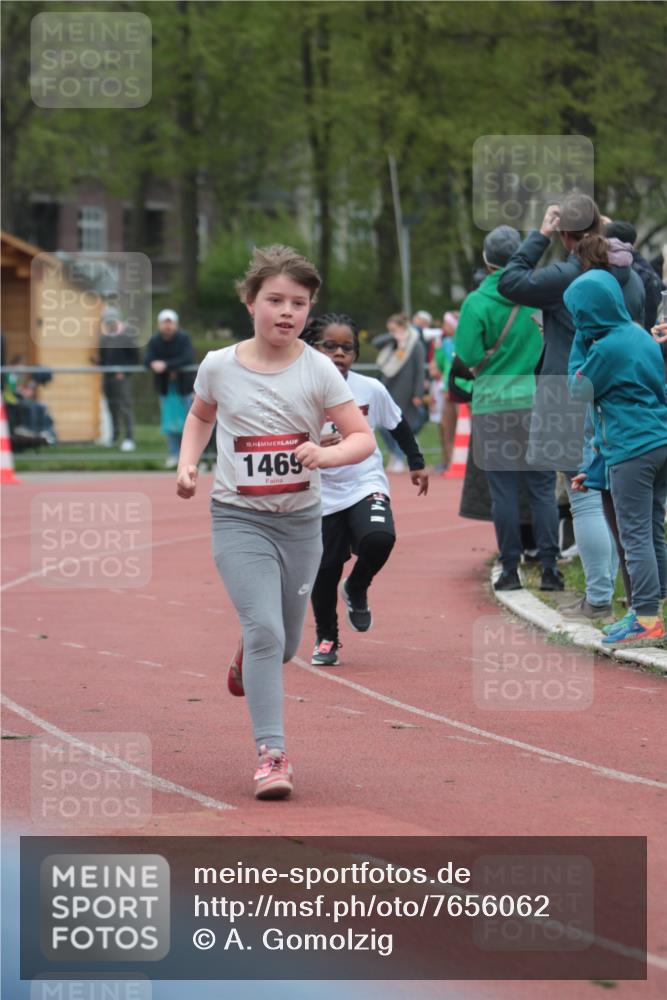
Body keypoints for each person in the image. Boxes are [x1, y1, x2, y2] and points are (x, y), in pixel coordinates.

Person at [175, 246, 375, 800]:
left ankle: (251, 655)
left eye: (299, 303)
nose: (287, 312)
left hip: (301, 522)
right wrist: (188, 461)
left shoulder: (318, 371)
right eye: (275, 300)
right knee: (266, 632)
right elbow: (200, 416)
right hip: (239, 518)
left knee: (283, 642)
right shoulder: (219, 364)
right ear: (250, 302)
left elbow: (361, 438)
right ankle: (272, 754)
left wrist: (325, 455)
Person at [499, 193, 645, 618]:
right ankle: (636, 597)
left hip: (568, 386)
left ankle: (598, 597)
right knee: (616, 495)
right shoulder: (628, 273)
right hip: (618, 388)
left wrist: (538, 234)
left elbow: (511, 280)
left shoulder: (567, 272)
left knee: (584, 495)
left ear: (565, 234)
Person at [299, 312, 429, 665]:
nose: (339, 354)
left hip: (362, 481)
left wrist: (415, 462)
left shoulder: (370, 389)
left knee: (380, 538)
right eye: (330, 346)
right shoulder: (296, 389)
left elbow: (398, 424)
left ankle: (357, 586)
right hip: (319, 492)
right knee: (325, 569)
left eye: (347, 348)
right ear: (311, 348)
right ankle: (327, 637)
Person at [454, 225, 561, 591]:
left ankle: (510, 569)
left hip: (493, 404)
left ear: (486, 260)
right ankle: (550, 569)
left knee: (503, 492)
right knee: (543, 489)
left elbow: (467, 354)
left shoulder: (476, 302)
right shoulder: (540, 295)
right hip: (538, 400)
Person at [566, 269, 667, 646]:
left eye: (577, 313)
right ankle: (650, 609)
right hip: (657, 441)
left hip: (632, 450)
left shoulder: (605, 348)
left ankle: (645, 619)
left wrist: (579, 338)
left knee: (634, 535)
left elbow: (578, 391)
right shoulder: (640, 336)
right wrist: (595, 469)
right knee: (653, 531)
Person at [376, 313, 427, 472]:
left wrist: (418, 394)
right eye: (389, 329)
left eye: (394, 329)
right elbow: (375, 342)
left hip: (405, 391)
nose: (392, 332)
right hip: (388, 388)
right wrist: (393, 337)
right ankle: (396, 454)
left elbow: (420, 371)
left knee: (400, 425)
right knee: (381, 425)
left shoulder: (416, 344)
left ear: (403, 328)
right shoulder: (391, 342)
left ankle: (399, 457)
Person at [145, 309, 195, 468]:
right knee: (170, 424)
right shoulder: (154, 340)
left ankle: (189, 458)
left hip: (184, 389)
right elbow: (147, 360)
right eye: (164, 323)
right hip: (166, 390)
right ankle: (174, 455)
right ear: (159, 324)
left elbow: (187, 358)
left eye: (170, 323)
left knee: (189, 424)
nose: (167, 326)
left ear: (175, 324)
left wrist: (166, 365)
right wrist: (154, 364)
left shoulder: (183, 338)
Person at [95, 307, 140, 451]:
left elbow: (136, 358)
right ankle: (114, 437)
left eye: (111, 322)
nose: (109, 325)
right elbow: (103, 358)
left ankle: (129, 438)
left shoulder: (127, 336)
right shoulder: (104, 338)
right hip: (107, 377)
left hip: (122, 378)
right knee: (111, 407)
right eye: (106, 322)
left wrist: (124, 371)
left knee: (124, 407)